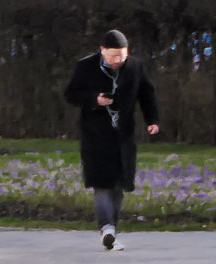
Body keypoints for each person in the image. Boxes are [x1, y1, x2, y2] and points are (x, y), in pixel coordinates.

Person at [63, 30, 159, 252]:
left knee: (119, 185)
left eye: (122, 56)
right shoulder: (85, 66)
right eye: (113, 56)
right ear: (102, 51)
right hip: (95, 136)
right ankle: (106, 227)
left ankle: (111, 231)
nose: (118, 61)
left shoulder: (135, 67)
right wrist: (93, 100)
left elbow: (147, 95)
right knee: (101, 183)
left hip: (123, 135)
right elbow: (70, 94)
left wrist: (152, 120)